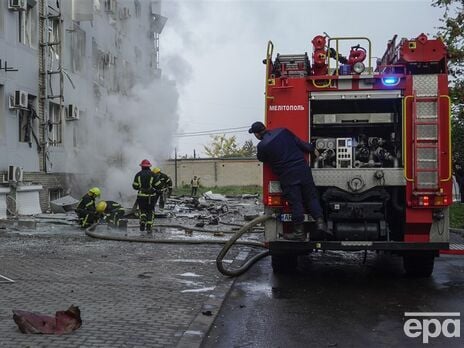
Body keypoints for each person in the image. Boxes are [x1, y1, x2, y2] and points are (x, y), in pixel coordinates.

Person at [249, 121, 326, 241]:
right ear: (265, 127)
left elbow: (261, 158)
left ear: (257, 134)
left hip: (288, 175)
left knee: (296, 203)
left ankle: (299, 233)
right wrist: (312, 148)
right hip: (303, 169)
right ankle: (321, 224)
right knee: (311, 198)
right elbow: (301, 144)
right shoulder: (283, 131)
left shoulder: (262, 146)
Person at [132, 159, 162, 232]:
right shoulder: (153, 174)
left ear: (142, 166)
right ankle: (149, 225)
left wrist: (140, 187)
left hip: (141, 196)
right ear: (149, 166)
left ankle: (142, 220)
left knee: (142, 210)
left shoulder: (138, 174)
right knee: (150, 211)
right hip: (151, 197)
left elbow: (135, 186)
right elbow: (158, 185)